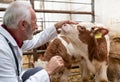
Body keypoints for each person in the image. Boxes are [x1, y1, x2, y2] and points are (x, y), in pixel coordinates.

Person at [0, 1, 78, 82]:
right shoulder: (2, 50)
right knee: (40, 72)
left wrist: (57, 26)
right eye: (35, 23)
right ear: (23, 25)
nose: (37, 27)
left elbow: (36, 40)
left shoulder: (12, 37)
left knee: (38, 70)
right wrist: (48, 71)